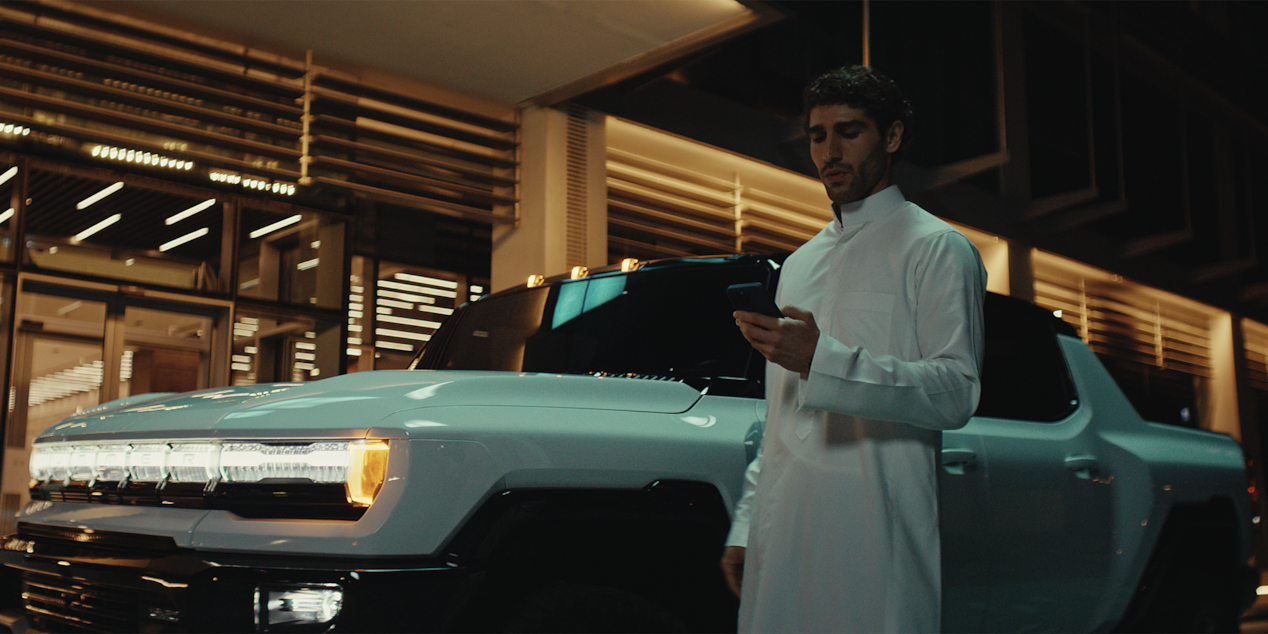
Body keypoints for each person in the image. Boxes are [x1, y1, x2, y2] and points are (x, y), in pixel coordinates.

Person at [720, 65, 987, 634]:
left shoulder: (937, 248)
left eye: (849, 132)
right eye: (818, 136)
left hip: (875, 531)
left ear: (891, 137)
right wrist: (747, 524)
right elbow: (779, 414)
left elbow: (956, 392)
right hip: (784, 526)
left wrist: (824, 360)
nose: (829, 152)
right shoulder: (798, 264)